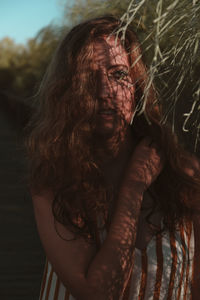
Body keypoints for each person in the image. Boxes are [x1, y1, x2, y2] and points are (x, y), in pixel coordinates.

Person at [26, 16, 200, 299]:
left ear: (138, 88)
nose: (105, 92)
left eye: (119, 74)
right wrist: (134, 188)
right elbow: (99, 293)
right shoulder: (54, 180)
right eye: (86, 77)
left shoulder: (186, 175)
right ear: (67, 92)